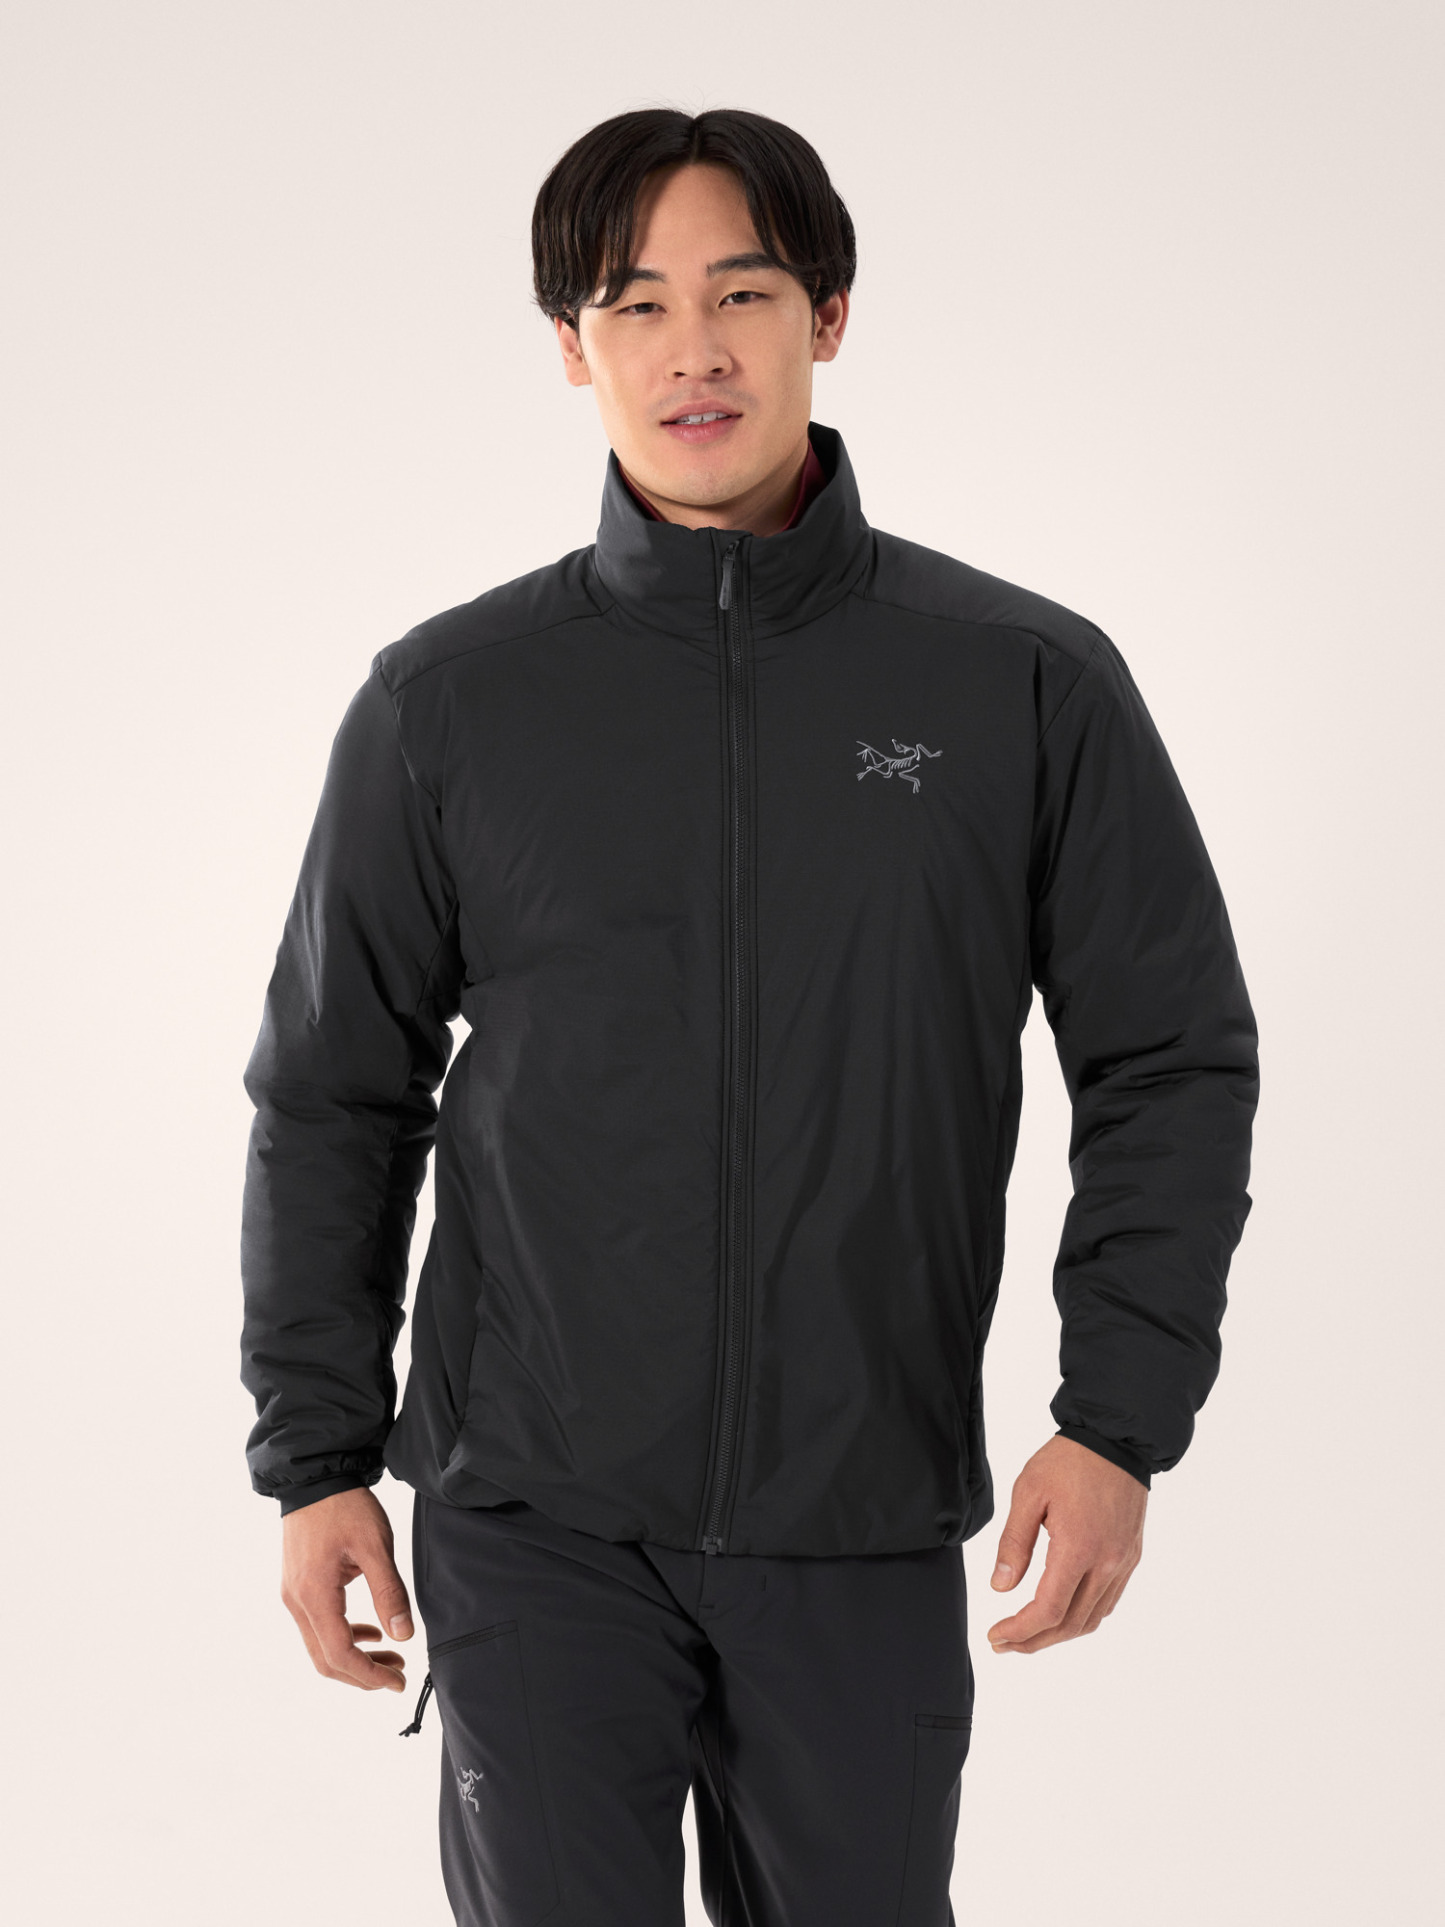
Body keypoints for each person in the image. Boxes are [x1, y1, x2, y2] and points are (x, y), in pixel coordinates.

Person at [240, 107, 1259, 1927]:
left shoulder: (1018, 681)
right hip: (532, 1518)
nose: (689, 349)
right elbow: (333, 1091)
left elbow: (1166, 1059)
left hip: (857, 1518)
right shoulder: (452, 701)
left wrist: (1116, 1421)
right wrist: (316, 1462)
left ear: (827, 316)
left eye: (742, 293)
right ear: (573, 349)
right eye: (633, 304)